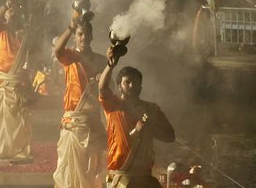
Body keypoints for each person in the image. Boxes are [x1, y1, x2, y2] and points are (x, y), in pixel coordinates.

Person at [98, 50, 175, 188]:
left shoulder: (152, 109)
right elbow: (103, 88)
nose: (132, 86)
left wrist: (151, 129)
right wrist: (110, 66)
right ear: (120, 87)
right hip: (120, 177)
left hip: (145, 176)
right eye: (127, 82)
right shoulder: (113, 105)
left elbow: (170, 136)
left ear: (141, 86)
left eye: (135, 82)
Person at [53, 15, 106, 188]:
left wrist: (102, 79)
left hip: (92, 123)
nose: (83, 38)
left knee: (91, 171)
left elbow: (108, 89)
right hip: (73, 123)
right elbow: (57, 50)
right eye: (80, 34)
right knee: (69, 175)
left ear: (92, 36)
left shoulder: (101, 60)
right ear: (75, 37)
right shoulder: (70, 57)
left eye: (86, 34)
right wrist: (70, 27)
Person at [0, 0, 32, 161]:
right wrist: (6, 4)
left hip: (17, 83)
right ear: (5, 15)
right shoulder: (0, 31)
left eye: (15, 11)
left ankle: (18, 150)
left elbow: (28, 61)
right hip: (1, 82)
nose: (12, 13)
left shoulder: (23, 36)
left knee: (19, 121)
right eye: (9, 11)